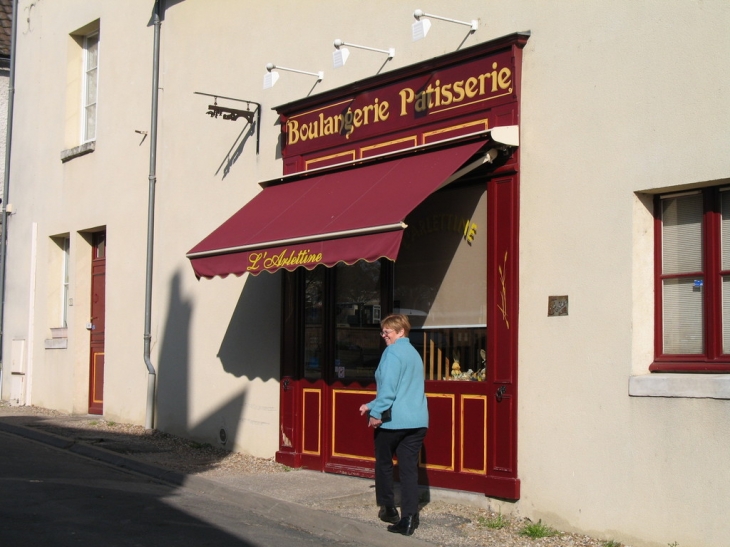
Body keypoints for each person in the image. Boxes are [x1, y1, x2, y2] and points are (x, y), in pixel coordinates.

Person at [359, 314, 429, 536]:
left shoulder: (392, 353)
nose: (384, 336)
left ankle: (388, 509)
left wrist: (376, 412)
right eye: (383, 331)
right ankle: (409, 518)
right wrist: (371, 404)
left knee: (384, 464)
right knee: (409, 470)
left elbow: (389, 389)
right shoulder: (414, 354)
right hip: (417, 421)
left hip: (393, 422)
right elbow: (403, 388)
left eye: (388, 331)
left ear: (401, 332)